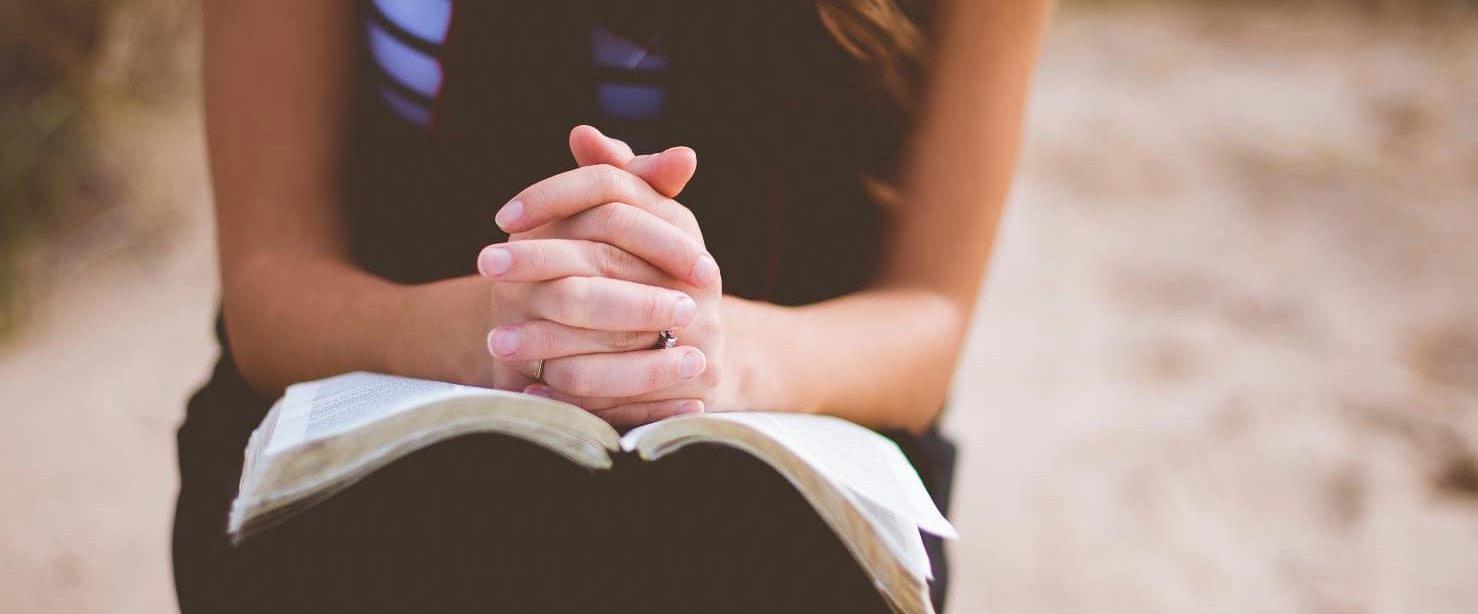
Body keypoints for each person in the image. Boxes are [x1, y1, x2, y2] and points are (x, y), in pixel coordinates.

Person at [175, 0, 1049, 611]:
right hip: (390, 364)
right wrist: (503, 332)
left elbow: (927, 313)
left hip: (796, 395)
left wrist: (705, 355)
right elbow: (270, 280)